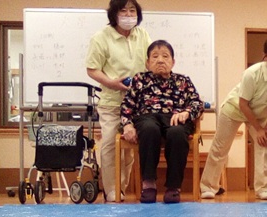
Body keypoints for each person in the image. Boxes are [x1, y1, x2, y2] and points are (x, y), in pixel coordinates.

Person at [200, 36, 267, 200]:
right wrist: (258, 129)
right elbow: (243, 104)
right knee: (220, 147)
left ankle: (263, 187)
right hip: (234, 109)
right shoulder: (251, 74)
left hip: (261, 114)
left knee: (264, 144)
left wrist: (265, 130)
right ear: (265, 56)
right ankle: (208, 186)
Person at [120, 40, 204, 204]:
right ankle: (148, 184)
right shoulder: (139, 79)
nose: (160, 60)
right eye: (155, 56)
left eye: (165, 56)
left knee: (177, 133)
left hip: (175, 118)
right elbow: (126, 105)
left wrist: (186, 112)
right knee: (150, 129)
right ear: (147, 62)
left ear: (173, 62)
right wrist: (127, 124)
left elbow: (197, 103)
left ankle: (174, 187)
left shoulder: (183, 81)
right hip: (147, 117)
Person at [86, 0, 151, 202]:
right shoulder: (101, 38)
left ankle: (121, 187)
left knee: (130, 147)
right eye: (123, 11)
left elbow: (150, 63)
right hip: (112, 101)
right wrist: (111, 83)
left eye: (132, 10)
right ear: (114, 14)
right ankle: (112, 190)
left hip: (138, 103)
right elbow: (92, 69)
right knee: (109, 144)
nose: (129, 15)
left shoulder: (143, 35)